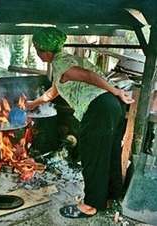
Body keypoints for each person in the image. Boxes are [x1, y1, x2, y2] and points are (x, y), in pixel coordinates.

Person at [26, 27, 135, 218]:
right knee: (109, 152)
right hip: (112, 106)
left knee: (92, 157)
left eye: (37, 50)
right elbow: (53, 92)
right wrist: (33, 103)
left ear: (45, 50)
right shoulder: (67, 61)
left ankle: (90, 206)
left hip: (99, 107)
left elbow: (90, 76)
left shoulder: (60, 63)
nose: (37, 53)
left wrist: (116, 91)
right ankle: (113, 196)